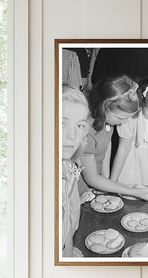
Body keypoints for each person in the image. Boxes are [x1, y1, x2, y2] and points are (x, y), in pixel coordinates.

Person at [80, 75, 148, 200]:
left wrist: (108, 180)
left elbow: (106, 145)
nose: (124, 123)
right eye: (121, 118)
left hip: (96, 185)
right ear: (104, 107)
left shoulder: (108, 121)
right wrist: (132, 192)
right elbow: (92, 178)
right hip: (81, 189)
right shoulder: (86, 133)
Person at [61, 86, 90, 257]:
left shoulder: (67, 165)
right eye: (62, 123)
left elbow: (67, 221)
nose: (72, 135)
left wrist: (68, 251)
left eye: (80, 125)